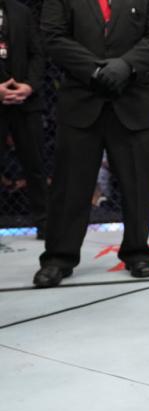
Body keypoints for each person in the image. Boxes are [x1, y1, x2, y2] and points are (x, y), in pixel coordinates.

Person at [33, 0, 149, 288]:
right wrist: (96, 70)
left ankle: (137, 253)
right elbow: (53, 36)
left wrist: (126, 66)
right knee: (69, 187)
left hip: (132, 99)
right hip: (82, 98)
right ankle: (59, 258)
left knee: (138, 184)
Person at [0, 0, 47, 239]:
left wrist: (29, 86)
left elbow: (37, 53)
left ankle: (45, 223)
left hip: (25, 100)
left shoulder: (20, 11)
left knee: (35, 164)